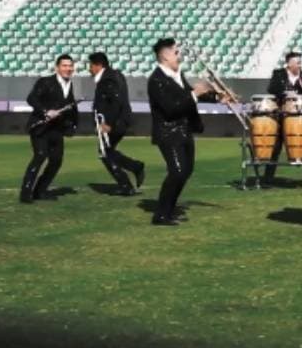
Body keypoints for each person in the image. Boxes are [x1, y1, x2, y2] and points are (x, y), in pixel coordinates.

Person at [146, 38, 222, 226]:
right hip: (168, 132)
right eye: (176, 52)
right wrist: (195, 93)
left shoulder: (178, 75)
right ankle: (161, 215)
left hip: (184, 130)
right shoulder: (156, 80)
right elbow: (171, 108)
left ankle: (168, 211)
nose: (179, 55)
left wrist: (219, 97)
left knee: (186, 170)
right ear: (165, 56)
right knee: (178, 171)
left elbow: (189, 95)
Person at [19, 54, 78, 203]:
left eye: (70, 66)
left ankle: (40, 191)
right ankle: (25, 194)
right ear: (57, 67)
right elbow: (31, 98)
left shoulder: (69, 84)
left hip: (56, 130)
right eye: (64, 66)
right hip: (40, 127)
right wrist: (46, 111)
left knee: (56, 161)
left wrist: (72, 125)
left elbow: (70, 106)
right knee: (40, 156)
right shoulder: (45, 82)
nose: (68, 69)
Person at [89, 51, 145, 196]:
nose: (90, 69)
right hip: (120, 121)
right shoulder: (114, 75)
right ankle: (135, 168)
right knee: (108, 151)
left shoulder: (108, 79)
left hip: (115, 122)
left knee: (105, 153)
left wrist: (109, 124)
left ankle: (126, 184)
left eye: (91, 65)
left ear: (98, 65)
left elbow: (115, 102)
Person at [263, 51, 302, 188]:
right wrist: (285, 92)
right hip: (282, 114)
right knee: (276, 146)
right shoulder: (279, 74)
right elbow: (271, 89)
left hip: (300, 116)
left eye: (300, 62)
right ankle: (268, 179)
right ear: (289, 63)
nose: (300, 65)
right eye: (297, 62)